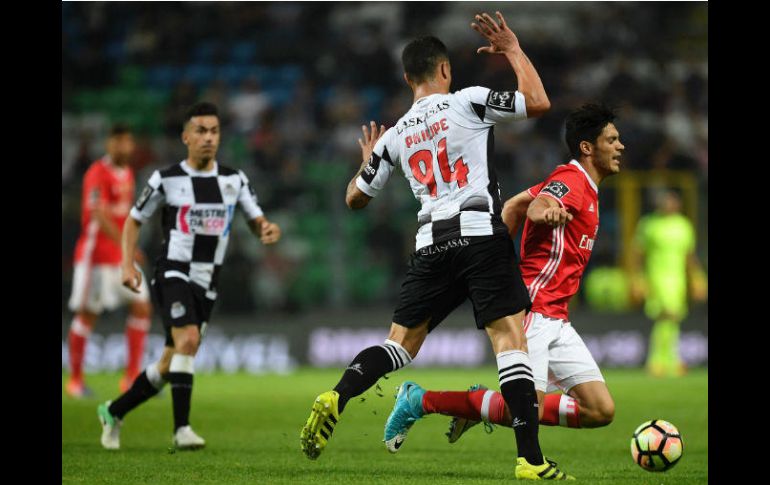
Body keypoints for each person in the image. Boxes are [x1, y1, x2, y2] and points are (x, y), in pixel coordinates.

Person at [301, 11, 573, 480]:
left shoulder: (396, 135)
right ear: (444, 70)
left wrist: (368, 161)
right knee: (510, 341)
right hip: (480, 235)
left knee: (400, 346)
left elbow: (354, 200)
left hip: (431, 245)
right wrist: (511, 49)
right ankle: (530, 460)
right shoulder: (466, 101)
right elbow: (538, 101)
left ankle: (338, 395)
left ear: (408, 78)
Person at [384, 104, 624, 447]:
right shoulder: (570, 180)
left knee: (599, 410)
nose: (621, 146)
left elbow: (513, 206)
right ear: (587, 147)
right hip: (534, 310)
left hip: (557, 316)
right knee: (525, 412)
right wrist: (546, 213)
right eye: (612, 139)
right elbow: (540, 205)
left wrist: (497, 260)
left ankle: (482, 403)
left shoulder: (583, 185)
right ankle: (420, 400)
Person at [96, 102, 281, 450]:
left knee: (170, 363)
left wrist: (267, 230)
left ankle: (113, 411)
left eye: (214, 131)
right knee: (188, 342)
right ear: (186, 136)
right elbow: (135, 220)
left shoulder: (234, 179)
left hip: (207, 281)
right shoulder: (166, 179)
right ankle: (182, 429)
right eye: (200, 130)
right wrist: (126, 264)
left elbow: (258, 221)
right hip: (173, 270)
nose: (208, 138)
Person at [66, 123, 153, 398]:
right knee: (87, 315)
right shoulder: (97, 173)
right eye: (118, 141)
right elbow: (99, 215)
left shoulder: (127, 173)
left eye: (127, 141)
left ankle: (130, 379)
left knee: (141, 307)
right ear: (108, 144)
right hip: (96, 257)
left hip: (119, 257)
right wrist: (127, 245)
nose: (123, 146)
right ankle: (76, 381)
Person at [631, 189, 707, 377]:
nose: (668, 204)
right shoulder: (648, 224)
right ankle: (666, 361)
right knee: (668, 315)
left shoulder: (684, 225)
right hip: (656, 278)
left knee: (670, 320)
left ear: (678, 204)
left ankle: (661, 361)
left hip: (677, 280)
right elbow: (637, 254)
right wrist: (637, 279)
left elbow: (689, 256)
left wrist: (698, 279)